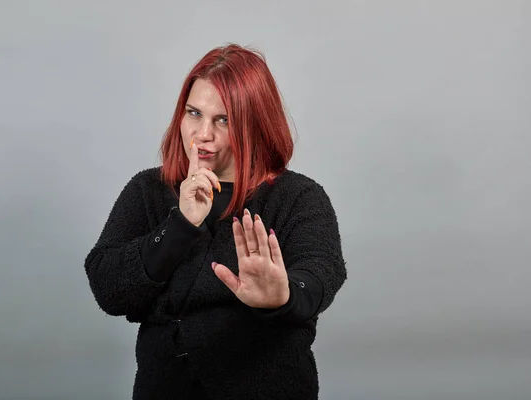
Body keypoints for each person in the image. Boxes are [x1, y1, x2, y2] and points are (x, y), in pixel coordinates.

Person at [84, 43, 347, 400]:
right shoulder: (148, 189)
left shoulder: (299, 197)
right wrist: (180, 225)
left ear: (255, 123)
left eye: (222, 120)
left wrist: (282, 295)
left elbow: (321, 272)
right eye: (194, 114)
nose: (202, 134)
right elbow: (109, 287)